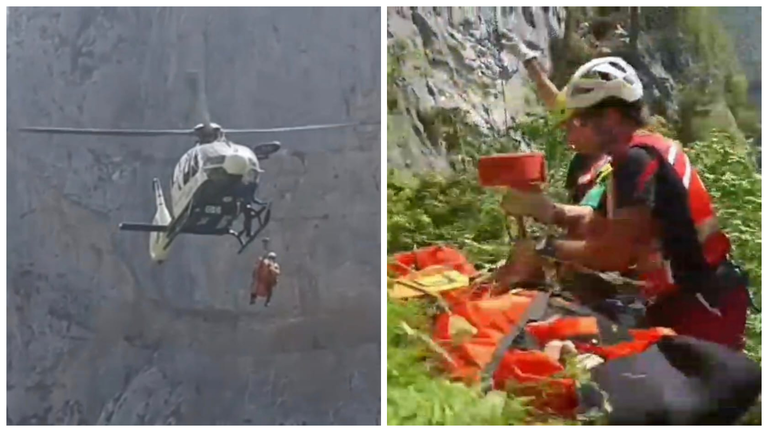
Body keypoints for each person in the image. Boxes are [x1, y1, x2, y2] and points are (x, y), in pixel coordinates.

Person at [497, 56, 750, 350]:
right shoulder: (635, 155)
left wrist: (542, 248)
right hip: (685, 299)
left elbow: (611, 254)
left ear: (612, 118)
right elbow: (597, 224)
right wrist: (548, 210)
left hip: (702, 305)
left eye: (578, 121)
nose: (569, 133)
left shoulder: (636, 160)